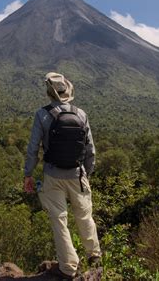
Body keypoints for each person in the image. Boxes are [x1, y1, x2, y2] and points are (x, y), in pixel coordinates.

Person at [24, 72, 101, 279]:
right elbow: (90, 150)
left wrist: (28, 174)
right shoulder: (81, 114)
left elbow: (33, 148)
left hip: (52, 175)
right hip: (77, 174)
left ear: (49, 93)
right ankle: (94, 257)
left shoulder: (42, 115)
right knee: (84, 216)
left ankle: (68, 267)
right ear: (67, 92)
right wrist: (86, 174)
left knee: (59, 220)